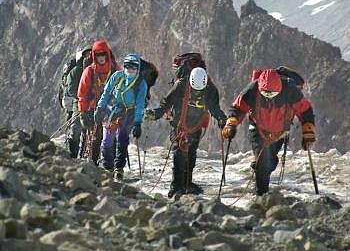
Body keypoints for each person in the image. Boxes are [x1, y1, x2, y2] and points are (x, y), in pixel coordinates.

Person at [222, 68, 316, 196]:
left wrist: (308, 131)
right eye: (265, 93)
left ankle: (261, 174)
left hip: (279, 134)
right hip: (257, 130)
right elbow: (238, 108)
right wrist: (231, 123)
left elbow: (305, 110)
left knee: (269, 162)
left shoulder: (289, 89)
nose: (268, 97)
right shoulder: (253, 88)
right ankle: (261, 197)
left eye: (271, 94)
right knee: (263, 164)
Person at [145, 66, 227, 198]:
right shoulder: (181, 85)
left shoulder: (210, 90)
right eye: (195, 90)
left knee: (191, 156)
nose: (197, 93)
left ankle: (187, 185)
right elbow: (167, 102)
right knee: (179, 154)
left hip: (196, 127)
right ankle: (175, 187)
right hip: (179, 126)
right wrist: (156, 114)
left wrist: (222, 120)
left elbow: (214, 108)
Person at [94, 53, 148, 179]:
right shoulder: (117, 76)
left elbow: (140, 104)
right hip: (112, 111)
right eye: (127, 66)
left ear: (138, 68)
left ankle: (119, 169)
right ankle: (109, 167)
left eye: (133, 67)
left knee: (122, 140)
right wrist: (100, 108)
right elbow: (106, 92)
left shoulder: (141, 84)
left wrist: (137, 122)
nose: (130, 70)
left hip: (128, 113)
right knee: (107, 141)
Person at [77, 40, 119, 164]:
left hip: (111, 109)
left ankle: (111, 166)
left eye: (103, 55)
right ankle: (93, 163)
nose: (101, 58)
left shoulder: (115, 69)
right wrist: (83, 112)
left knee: (112, 137)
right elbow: (82, 94)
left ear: (107, 55)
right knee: (96, 137)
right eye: (98, 56)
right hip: (94, 108)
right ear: (95, 57)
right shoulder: (89, 72)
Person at [65, 45, 92, 158]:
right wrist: (82, 96)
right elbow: (71, 90)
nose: (89, 56)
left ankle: (84, 154)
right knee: (76, 127)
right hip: (79, 102)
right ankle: (73, 155)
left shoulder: (95, 70)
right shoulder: (76, 71)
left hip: (93, 102)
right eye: (87, 54)